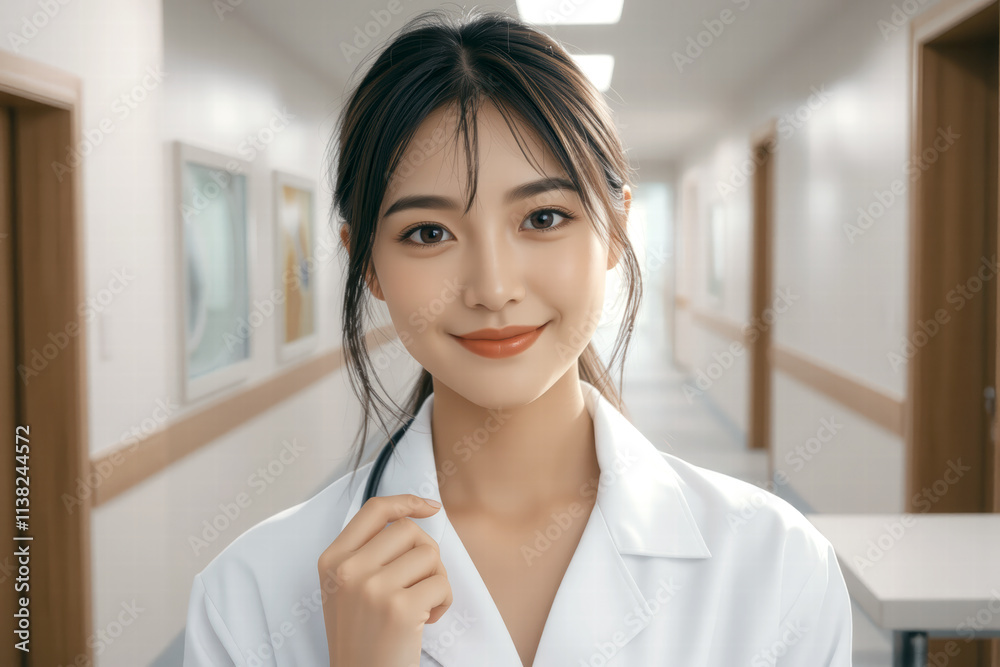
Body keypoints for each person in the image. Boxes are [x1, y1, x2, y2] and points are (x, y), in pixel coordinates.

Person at [183, 8, 853, 666]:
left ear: (616, 227)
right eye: (428, 232)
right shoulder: (249, 593)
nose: (492, 286)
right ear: (368, 262)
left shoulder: (777, 564)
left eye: (543, 216)